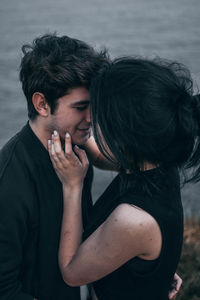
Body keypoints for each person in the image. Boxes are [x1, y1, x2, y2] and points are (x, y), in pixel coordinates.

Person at [48, 57, 200, 300]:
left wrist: (72, 186)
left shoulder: (131, 219)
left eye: (100, 116)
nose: (92, 120)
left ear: (126, 135)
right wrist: (67, 124)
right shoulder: (155, 162)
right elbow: (101, 156)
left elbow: (71, 272)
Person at [0, 33, 109, 300]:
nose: (91, 118)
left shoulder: (76, 144)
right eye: (81, 107)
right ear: (42, 104)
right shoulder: (10, 181)